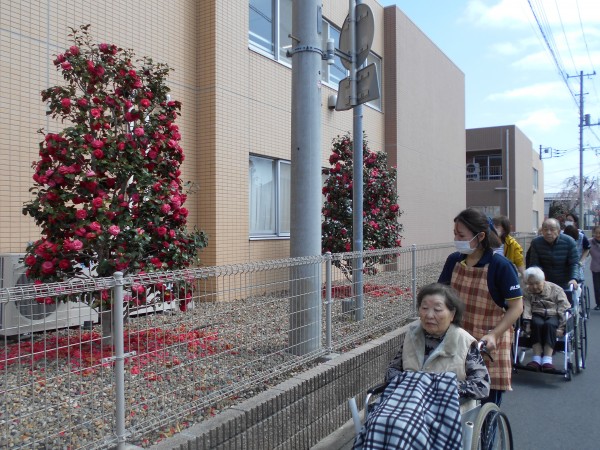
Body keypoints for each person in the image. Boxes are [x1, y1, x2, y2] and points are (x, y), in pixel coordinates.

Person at [438, 208, 523, 406]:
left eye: (461, 235)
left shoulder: (501, 266)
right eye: (455, 234)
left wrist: (494, 335)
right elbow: (441, 295)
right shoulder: (454, 261)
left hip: (488, 343)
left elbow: (516, 307)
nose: (456, 239)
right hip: (457, 340)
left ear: (481, 236)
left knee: (486, 406)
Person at [385, 283, 490, 399]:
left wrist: (437, 386)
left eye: (437, 309)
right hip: (409, 401)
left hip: (447, 405)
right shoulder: (412, 335)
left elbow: (482, 387)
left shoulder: (465, 342)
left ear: (452, 314)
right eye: (424, 308)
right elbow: (392, 370)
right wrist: (408, 382)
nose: (429, 315)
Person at [522, 267, 570, 371]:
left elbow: (563, 308)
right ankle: (536, 359)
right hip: (536, 313)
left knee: (550, 325)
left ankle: (547, 360)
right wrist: (527, 323)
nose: (534, 287)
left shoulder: (556, 289)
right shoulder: (526, 292)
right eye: (531, 284)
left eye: (537, 283)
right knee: (536, 324)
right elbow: (527, 307)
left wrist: (562, 327)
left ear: (543, 280)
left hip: (554, 314)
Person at [527, 218, 579, 290]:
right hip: (545, 283)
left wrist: (573, 278)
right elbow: (534, 264)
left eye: (552, 229)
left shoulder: (569, 242)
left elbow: (574, 264)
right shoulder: (536, 243)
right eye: (545, 229)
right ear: (542, 231)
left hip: (565, 282)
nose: (548, 232)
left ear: (558, 231)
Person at [590, 225, 600, 311]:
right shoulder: (590, 242)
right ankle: (598, 304)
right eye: (596, 233)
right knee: (597, 287)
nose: (598, 235)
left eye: (599, 233)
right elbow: (585, 252)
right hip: (595, 267)